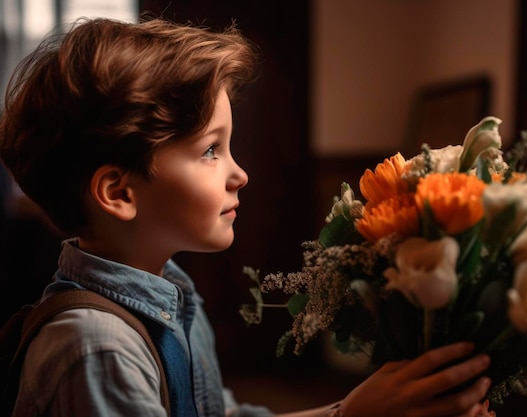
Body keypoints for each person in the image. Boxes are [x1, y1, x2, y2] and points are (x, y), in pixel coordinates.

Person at [0, 16, 492, 417]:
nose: (240, 174)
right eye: (211, 150)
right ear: (119, 191)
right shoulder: (98, 350)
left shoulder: (171, 291)